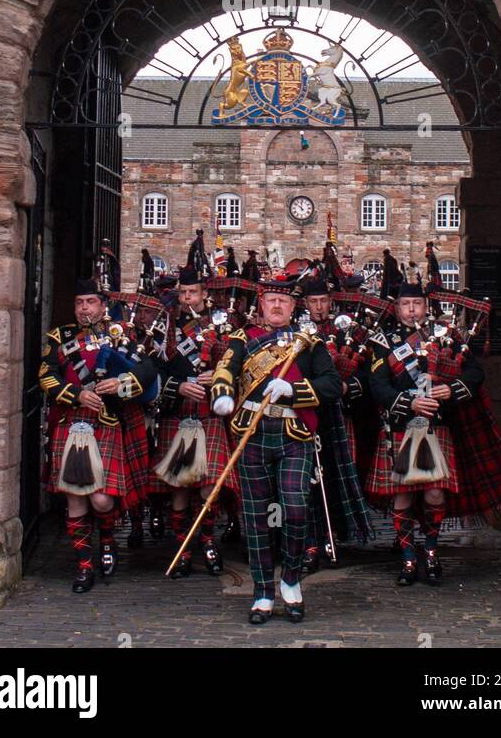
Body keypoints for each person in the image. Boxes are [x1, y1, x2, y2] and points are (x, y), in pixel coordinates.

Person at [211, 271, 342, 625]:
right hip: (251, 434)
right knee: (255, 515)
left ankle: (291, 579)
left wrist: (294, 391)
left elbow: (332, 385)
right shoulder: (243, 337)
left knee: (296, 508)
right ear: (261, 306)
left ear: (292, 306)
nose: (277, 306)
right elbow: (226, 369)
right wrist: (223, 395)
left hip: (294, 433)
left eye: (284, 301)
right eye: (271, 300)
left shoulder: (309, 343)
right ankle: (262, 591)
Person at [365, 279, 501, 587]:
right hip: (401, 425)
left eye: (416, 304)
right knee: (402, 494)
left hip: (437, 424)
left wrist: (451, 389)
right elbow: (377, 385)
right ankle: (407, 557)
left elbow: (475, 372)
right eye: (405, 305)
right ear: (396, 308)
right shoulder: (383, 341)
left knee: (434, 492)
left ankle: (430, 550)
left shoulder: (444, 335)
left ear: (425, 306)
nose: (411, 310)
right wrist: (410, 401)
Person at [39, 279, 154, 593]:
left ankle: (106, 540)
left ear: (103, 305)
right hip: (74, 422)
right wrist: (75, 395)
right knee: (76, 498)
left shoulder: (121, 335)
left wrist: (122, 383)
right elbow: (46, 375)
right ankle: (85, 565)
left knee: (102, 500)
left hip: (107, 423)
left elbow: (147, 371)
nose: (84, 308)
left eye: (90, 302)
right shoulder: (60, 337)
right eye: (79, 302)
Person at [148, 266, 238, 578]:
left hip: (210, 411)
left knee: (209, 486)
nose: (188, 298)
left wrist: (221, 375)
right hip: (179, 410)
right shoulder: (166, 325)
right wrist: (178, 386)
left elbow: (238, 359)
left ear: (204, 294)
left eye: (194, 293)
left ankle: (208, 540)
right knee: (180, 486)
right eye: (183, 293)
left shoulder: (223, 323)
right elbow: (153, 370)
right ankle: (182, 547)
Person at [299, 273, 372, 574]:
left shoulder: (347, 332)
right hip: (306, 413)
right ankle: (311, 539)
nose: (319, 307)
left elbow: (365, 376)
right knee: (307, 479)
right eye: (313, 302)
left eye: (323, 301)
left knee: (337, 475)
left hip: (339, 416)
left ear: (331, 302)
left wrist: (346, 387)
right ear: (305, 303)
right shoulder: (297, 332)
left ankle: (336, 534)